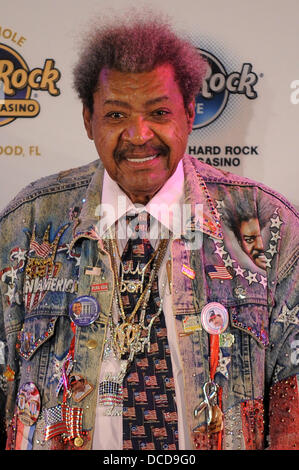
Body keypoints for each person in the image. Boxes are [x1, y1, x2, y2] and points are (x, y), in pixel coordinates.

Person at [0, 15, 298, 451]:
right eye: (117, 114)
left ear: (190, 114)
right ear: (88, 120)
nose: (139, 135)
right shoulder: (27, 225)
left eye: (159, 113)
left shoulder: (269, 226)